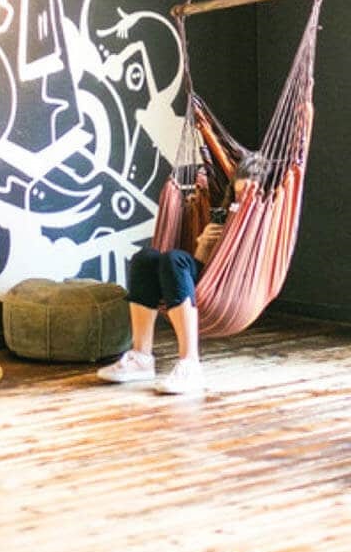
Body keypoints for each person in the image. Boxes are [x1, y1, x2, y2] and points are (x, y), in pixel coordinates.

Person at [97, 153, 268, 395]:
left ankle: (190, 365)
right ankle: (141, 358)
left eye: (250, 193)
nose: (244, 199)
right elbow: (203, 264)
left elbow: (254, 263)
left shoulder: (266, 219)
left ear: (263, 194)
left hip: (239, 285)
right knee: (147, 258)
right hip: (213, 280)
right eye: (240, 194)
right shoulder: (226, 211)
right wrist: (204, 244)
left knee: (175, 260)